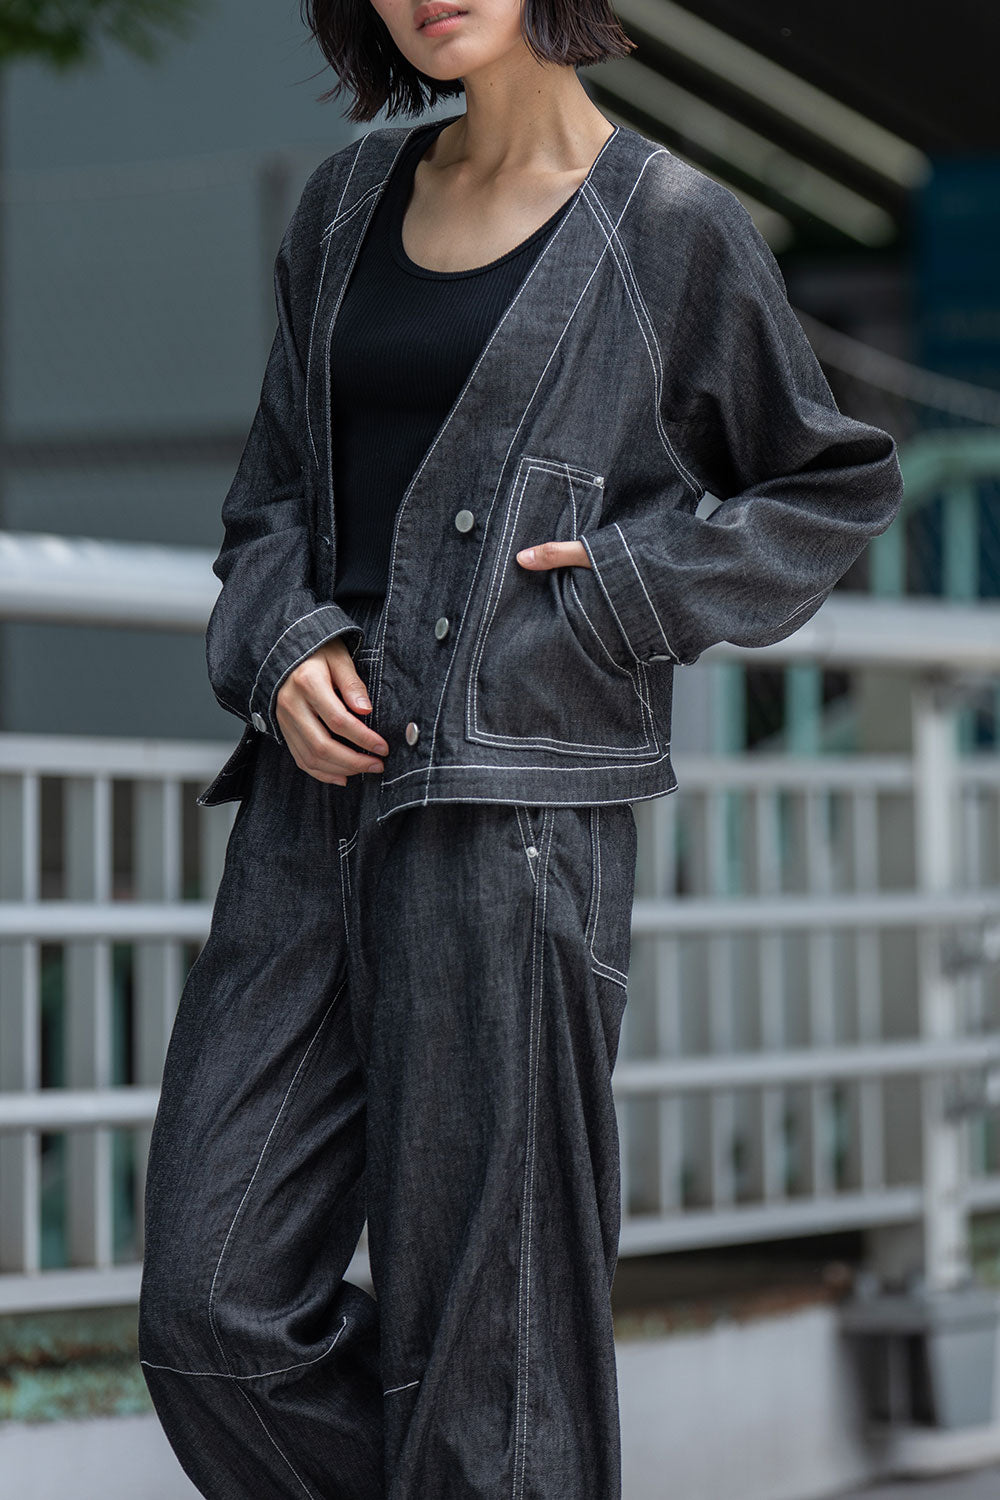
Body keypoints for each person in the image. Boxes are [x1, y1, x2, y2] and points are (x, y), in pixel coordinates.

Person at [136, 3, 905, 1497]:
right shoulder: (344, 208)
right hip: (311, 812)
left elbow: (829, 487)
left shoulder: (669, 228)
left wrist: (617, 594)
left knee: (495, 1355)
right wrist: (284, 645)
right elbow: (270, 501)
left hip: (519, 819)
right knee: (212, 1315)